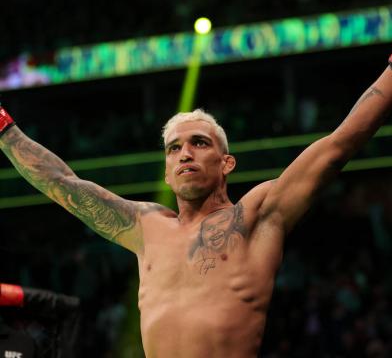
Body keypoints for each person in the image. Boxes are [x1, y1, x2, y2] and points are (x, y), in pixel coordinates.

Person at [1, 57, 392, 358]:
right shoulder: (146, 226)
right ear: (167, 172)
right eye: (174, 148)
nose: (185, 153)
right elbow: (62, 184)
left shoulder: (256, 216)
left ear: (227, 163)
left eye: (199, 143)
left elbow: (338, 146)